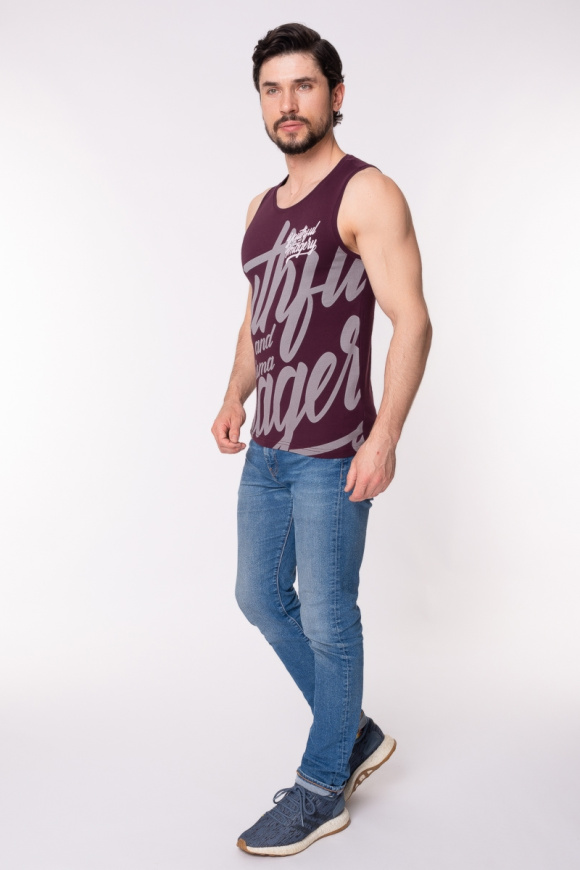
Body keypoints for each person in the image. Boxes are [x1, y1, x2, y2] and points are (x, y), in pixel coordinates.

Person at [211, 22, 432, 857]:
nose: (287, 103)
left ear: (335, 95)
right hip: (269, 449)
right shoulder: (259, 210)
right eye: (272, 89)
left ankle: (321, 786)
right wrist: (234, 394)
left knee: (331, 619)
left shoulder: (366, 192)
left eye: (303, 86)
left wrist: (385, 438)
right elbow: (259, 317)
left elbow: (412, 321)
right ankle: (358, 735)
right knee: (260, 598)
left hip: (334, 448)